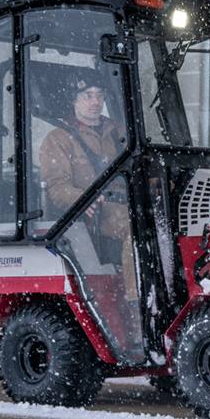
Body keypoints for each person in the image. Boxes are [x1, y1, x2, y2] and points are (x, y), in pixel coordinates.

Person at [37, 71, 136, 302]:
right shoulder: (58, 139)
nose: (95, 102)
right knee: (139, 230)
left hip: (132, 203)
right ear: (74, 100)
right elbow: (57, 188)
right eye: (87, 96)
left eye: (99, 96)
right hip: (96, 213)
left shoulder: (120, 132)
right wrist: (84, 199)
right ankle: (139, 305)